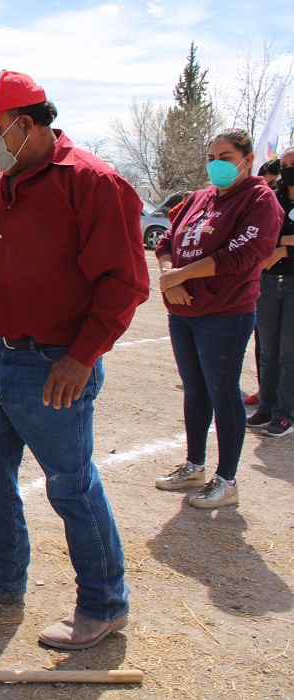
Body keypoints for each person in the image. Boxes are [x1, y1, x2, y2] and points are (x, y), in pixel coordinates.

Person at [0, 70, 149, 649]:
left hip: (54, 367)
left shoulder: (92, 183)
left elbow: (124, 282)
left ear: (25, 124)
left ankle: (103, 604)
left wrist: (81, 357)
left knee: (70, 486)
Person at [154, 129, 282, 505]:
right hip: (183, 310)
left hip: (225, 313)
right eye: (211, 158)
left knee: (223, 393)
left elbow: (243, 254)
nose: (216, 165)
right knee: (194, 391)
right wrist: (168, 276)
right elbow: (166, 242)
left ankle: (227, 481)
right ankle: (194, 467)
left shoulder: (259, 199)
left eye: (225, 157)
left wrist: (183, 275)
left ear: (246, 159)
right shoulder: (199, 198)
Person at [249, 147, 294, 436]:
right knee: (267, 351)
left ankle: (285, 413)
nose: (288, 167)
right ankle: (266, 407)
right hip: (266, 281)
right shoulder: (272, 198)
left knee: (289, 353)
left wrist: (281, 248)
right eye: (286, 163)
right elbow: (259, 232)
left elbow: (274, 240)